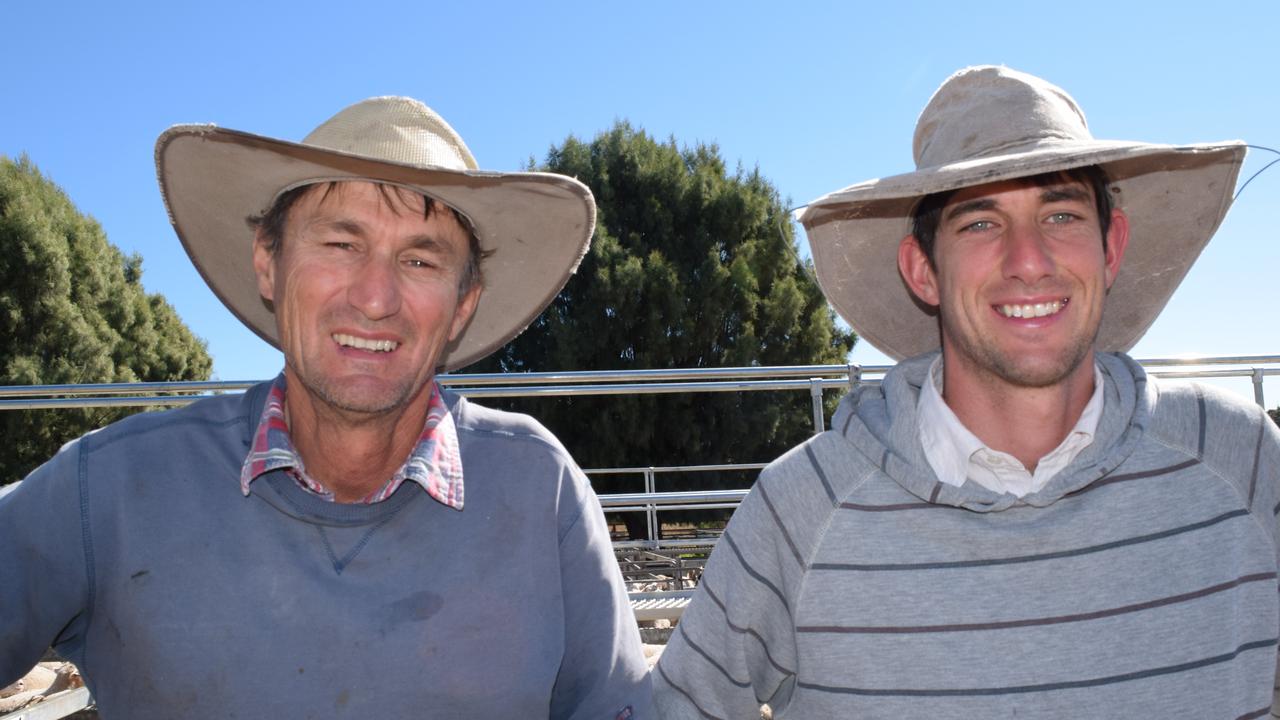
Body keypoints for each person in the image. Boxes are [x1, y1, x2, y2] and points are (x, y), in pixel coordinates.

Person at [655, 66, 1280, 717]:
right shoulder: (802, 509)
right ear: (923, 271)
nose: (1029, 260)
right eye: (981, 223)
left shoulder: (1243, 460)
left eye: (1061, 213)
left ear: (1112, 246)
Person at [0, 96, 652, 718]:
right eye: (340, 244)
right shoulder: (109, 489)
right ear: (268, 263)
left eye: (421, 259)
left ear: (462, 303)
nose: (374, 297)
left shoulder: (538, 487)